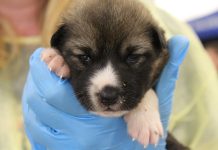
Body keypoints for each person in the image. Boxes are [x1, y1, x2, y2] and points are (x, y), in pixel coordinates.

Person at [1, 0, 218, 150]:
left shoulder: (143, 16)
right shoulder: (67, 39)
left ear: (161, 45)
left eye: (132, 58)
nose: (108, 84)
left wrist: (147, 100)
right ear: (58, 44)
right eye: (84, 58)